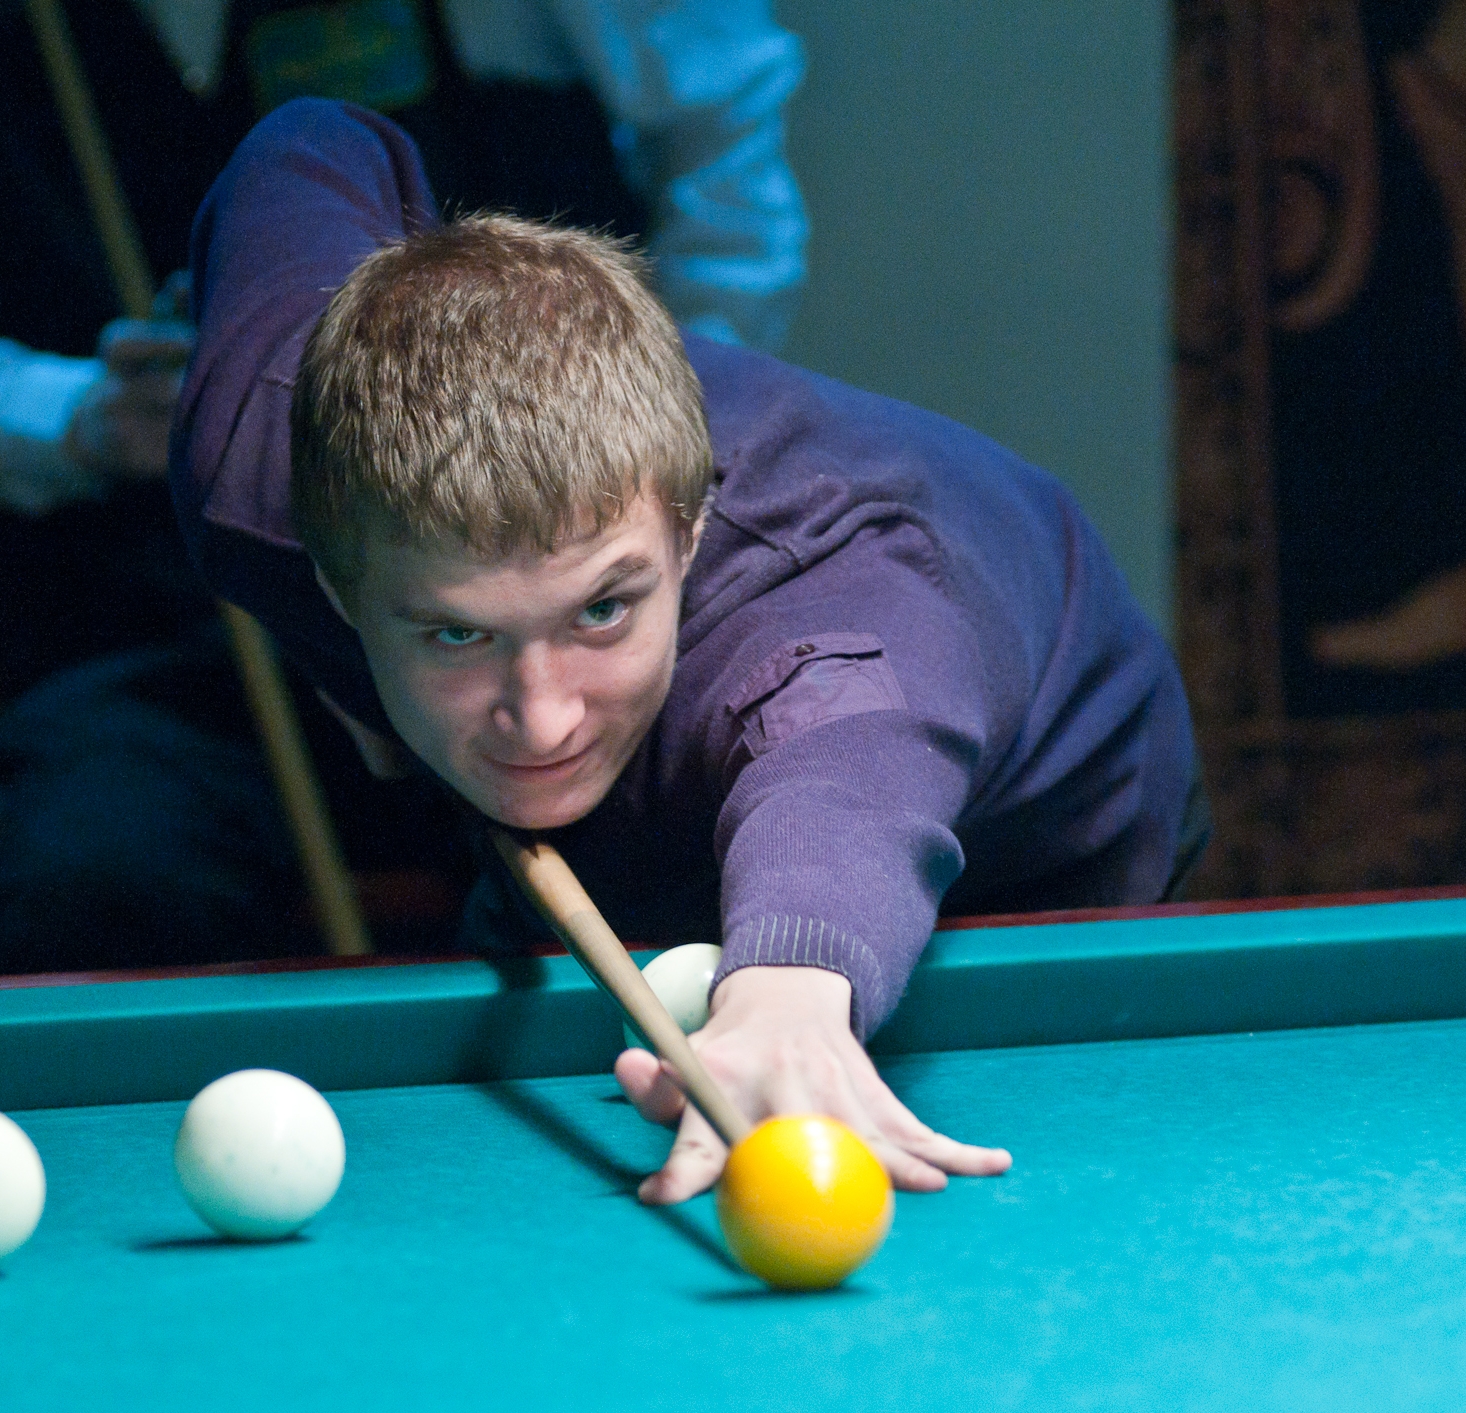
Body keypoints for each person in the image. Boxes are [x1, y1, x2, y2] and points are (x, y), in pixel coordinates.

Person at [176, 100, 1207, 1203]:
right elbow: (312, 140)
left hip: (1038, 832)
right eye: (456, 632)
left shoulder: (842, 606)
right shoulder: (253, 464)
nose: (543, 717)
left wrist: (790, 987)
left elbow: (851, 776)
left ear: (689, 530)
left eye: (601, 610)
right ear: (336, 583)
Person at [0, 0, 809, 970]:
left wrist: (618, 422)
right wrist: (81, 415)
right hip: (174, 647)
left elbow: (731, 208)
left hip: (532, 618)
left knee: (689, 863)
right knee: (87, 885)